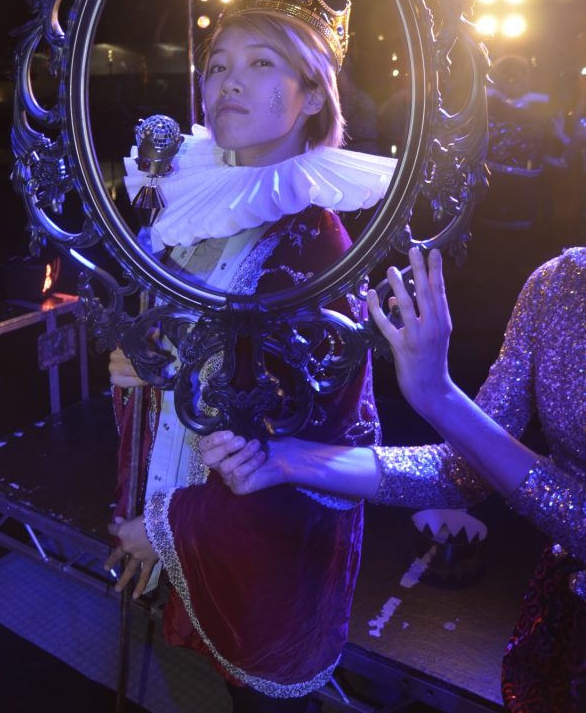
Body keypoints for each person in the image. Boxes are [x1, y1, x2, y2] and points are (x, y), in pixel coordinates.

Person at [105, 0, 397, 711]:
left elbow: (302, 434)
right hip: (173, 512)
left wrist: (164, 529)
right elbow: (163, 349)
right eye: (218, 67)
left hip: (246, 552)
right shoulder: (193, 210)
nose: (228, 82)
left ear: (309, 97)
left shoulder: (314, 241)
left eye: (261, 63)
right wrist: (137, 367)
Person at [202, 247, 585, 712]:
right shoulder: (558, 283)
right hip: (567, 613)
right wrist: (284, 460)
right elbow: (461, 471)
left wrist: (440, 396)